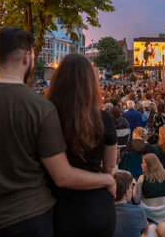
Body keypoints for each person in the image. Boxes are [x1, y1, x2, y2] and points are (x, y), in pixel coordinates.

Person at [0, 27, 115, 237]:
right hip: (31, 219)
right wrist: (106, 179)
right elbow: (62, 175)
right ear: (27, 57)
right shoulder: (41, 108)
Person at [48, 53, 118, 237]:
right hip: (95, 206)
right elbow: (110, 166)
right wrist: (107, 179)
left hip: (57, 205)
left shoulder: (47, 117)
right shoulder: (103, 119)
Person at [133, 153, 165, 224]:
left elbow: (136, 200)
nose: (141, 165)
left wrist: (134, 187)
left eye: (143, 163)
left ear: (149, 165)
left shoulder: (142, 178)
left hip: (149, 216)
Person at [113, 171, 150, 237]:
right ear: (127, 192)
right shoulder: (138, 211)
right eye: (131, 187)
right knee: (152, 228)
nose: (132, 189)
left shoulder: (103, 210)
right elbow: (145, 228)